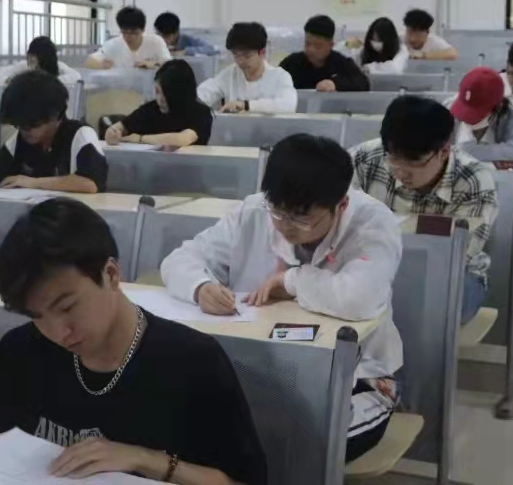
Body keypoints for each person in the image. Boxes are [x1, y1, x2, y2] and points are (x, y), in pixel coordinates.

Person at [0, 199, 268, 485]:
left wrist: (145, 459)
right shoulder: (29, 349)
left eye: (67, 306)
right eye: (38, 316)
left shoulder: (192, 362)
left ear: (110, 274)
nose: (59, 331)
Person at [161, 134, 403, 463]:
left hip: (358, 377)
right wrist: (200, 286)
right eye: (278, 211)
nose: (286, 226)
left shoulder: (373, 222)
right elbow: (180, 260)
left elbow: (360, 297)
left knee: (307, 442)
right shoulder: (253, 211)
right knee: (213, 432)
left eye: (302, 217)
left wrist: (291, 281)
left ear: (340, 205)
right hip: (261, 375)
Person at [348, 96, 498, 324]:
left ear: (444, 151)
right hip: (368, 265)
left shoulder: (474, 182)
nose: (400, 172)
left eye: (414, 163)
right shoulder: (363, 159)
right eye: (394, 159)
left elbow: (455, 256)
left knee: (428, 313)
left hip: (451, 275)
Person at [0, 71, 107, 194]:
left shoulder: (80, 134)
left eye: (30, 125)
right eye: (19, 126)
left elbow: (90, 183)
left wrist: (33, 182)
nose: (24, 131)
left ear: (54, 115)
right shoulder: (21, 140)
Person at [106, 60, 213, 148]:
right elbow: (122, 126)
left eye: (166, 93)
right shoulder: (151, 109)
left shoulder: (200, 113)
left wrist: (140, 139)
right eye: (157, 92)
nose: (160, 99)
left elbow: (182, 139)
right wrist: (113, 132)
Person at [197, 23, 297, 114]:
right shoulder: (230, 74)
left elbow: (288, 105)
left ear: (262, 52)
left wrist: (245, 105)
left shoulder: (280, 77)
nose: (240, 61)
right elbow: (205, 93)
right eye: (236, 54)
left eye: (247, 55)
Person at [446, 68, 513, 163]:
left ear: (498, 106)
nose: (466, 118)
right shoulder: (449, 108)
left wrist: (469, 151)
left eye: (476, 112)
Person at [279, 15, 370, 92]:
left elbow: (363, 83)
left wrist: (335, 83)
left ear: (331, 45)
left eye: (318, 46)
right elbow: (275, 79)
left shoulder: (341, 63)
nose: (311, 50)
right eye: (307, 44)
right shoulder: (292, 62)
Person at [85, 7, 172, 70]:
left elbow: (170, 65)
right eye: (124, 32)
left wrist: (153, 64)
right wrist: (101, 65)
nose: (128, 37)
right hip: (122, 87)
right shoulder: (114, 44)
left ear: (142, 30)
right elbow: (89, 61)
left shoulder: (155, 42)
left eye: (134, 33)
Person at [0, 37, 82, 86]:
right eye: (29, 56)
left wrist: (47, 82)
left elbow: (76, 77)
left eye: (33, 57)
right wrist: (12, 80)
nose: (30, 61)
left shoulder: (60, 67)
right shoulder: (24, 66)